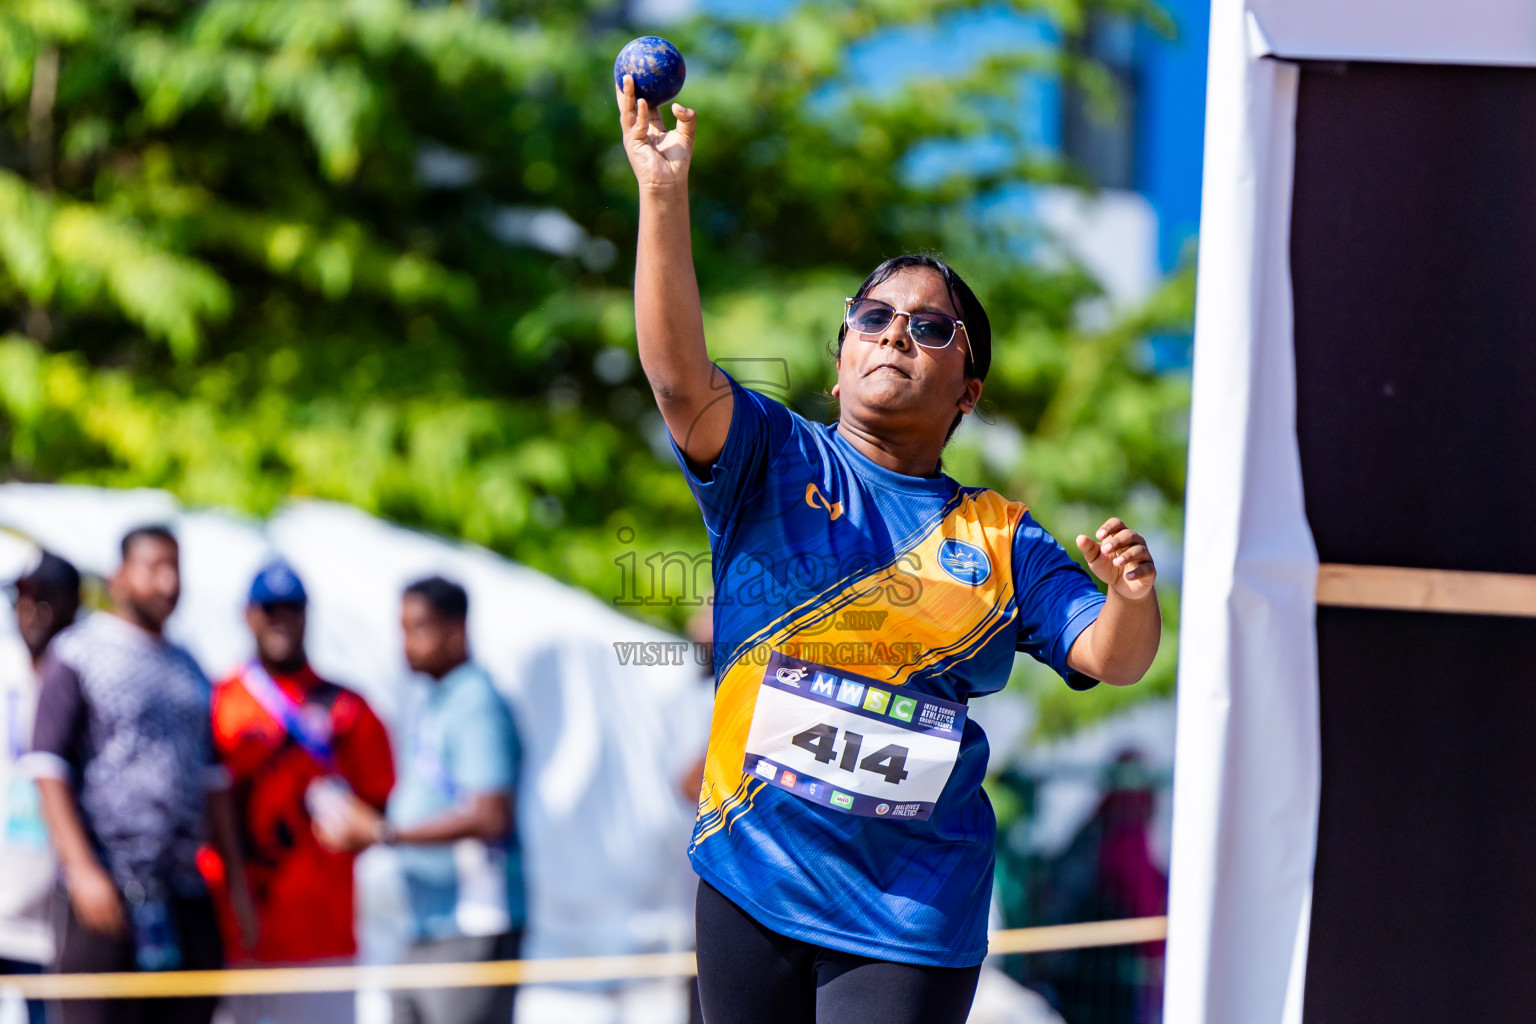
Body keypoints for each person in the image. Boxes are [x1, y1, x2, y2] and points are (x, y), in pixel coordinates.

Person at [615, 77, 1163, 1024]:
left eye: (931, 327)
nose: (896, 334)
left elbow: (1113, 658)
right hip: (752, 877)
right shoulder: (770, 456)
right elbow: (673, 374)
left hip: (907, 915)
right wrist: (662, 196)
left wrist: (1131, 596)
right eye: (872, 317)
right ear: (837, 362)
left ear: (969, 391)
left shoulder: (1001, 538)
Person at [28, 526, 257, 1024]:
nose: (168, 583)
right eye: (154, 568)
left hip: (182, 890)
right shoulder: (79, 653)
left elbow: (213, 781)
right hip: (107, 888)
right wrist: (84, 871)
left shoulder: (190, 668)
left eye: (175, 569)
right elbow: (47, 768)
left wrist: (236, 885)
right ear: (120, 576)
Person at [319, 576, 524, 1024]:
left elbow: (490, 815)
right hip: (428, 922)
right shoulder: (441, 699)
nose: (406, 643)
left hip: (473, 922)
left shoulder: (476, 702)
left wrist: (383, 832)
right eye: (403, 628)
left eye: (419, 628)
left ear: (456, 630)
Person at [200, 560, 395, 1024]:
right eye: (269, 609)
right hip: (234, 934)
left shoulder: (348, 708)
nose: (280, 621)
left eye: (291, 609)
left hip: (319, 937)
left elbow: (379, 808)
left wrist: (361, 828)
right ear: (248, 615)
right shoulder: (218, 700)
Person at [1, 552, 80, 1024]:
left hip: (56, 919)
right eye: (21, 599)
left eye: (45, 600)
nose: (30, 612)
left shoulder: (87, 676)